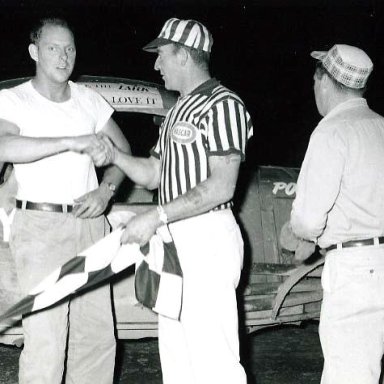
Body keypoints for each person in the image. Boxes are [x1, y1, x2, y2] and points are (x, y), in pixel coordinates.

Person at [98, 17, 253, 384]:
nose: (156, 64)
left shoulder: (223, 104)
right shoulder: (176, 112)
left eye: (162, 55)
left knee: (214, 363)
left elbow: (222, 186)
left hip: (206, 238)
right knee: (178, 363)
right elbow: (154, 173)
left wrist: (156, 215)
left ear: (183, 55)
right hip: (173, 241)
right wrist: (115, 156)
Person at [0, 17, 130, 383]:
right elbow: (4, 145)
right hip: (40, 229)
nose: (63, 56)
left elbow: (123, 150)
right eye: (53, 48)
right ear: (34, 52)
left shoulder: (90, 100)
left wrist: (106, 191)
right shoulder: (13, 99)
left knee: (96, 335)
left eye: (69, 48)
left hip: (91, 226)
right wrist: (69, 142)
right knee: (47, 338)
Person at [289, 44, 384, 383]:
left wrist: (301, 234)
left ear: (324, 82)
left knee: (349, 374)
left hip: (355, 271)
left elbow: (308, 219)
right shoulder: (380, 127)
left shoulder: (332, 131)